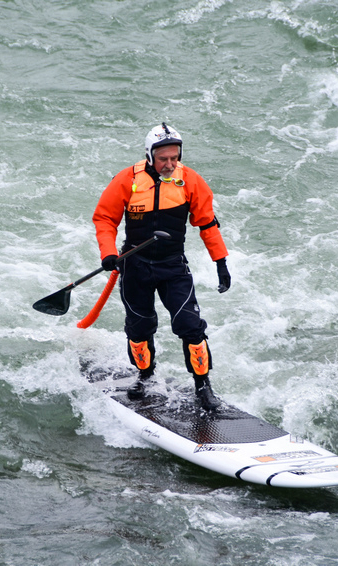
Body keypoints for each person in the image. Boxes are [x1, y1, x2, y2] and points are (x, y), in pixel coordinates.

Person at [92, 123, 231, 410]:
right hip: (135, 266)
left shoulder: (190, 180)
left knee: (191, 327)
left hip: (173, 267)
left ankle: (203, 386)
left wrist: (221, 262)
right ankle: (144, 376)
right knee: (139, 328)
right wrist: (108, 253)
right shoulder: (128, 180)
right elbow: (104, 219)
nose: (169, 164)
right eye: (163, 158)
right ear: (149, 155)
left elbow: (207, 223)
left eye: (174, 158)